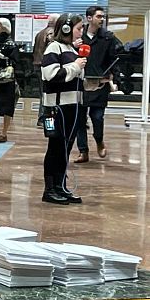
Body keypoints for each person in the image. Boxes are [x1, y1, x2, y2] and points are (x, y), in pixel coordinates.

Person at [41, 13, 90, 204]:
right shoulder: (54, 47)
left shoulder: (71, 49)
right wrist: (75, 66)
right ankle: (49, 189)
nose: (81, 32)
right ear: (66, 29)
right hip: (57, 108)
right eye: (79, 28)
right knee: (55, 148)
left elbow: (74, 79)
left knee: (65, 149)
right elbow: (51, 75)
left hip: (73, 106)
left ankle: (60, 186)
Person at [74, 6, 121, 164]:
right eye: (99, 16)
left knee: (97, 117)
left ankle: (99, 140)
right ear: (89, 18)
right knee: (80, 119)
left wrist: (116, 80)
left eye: (103, 16)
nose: (102, 19)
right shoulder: (79, 37)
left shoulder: (108, 37)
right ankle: (83, 151)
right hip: (81, 83)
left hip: (100, 83)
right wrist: (74, 45)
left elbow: (114, 59)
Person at [33, 14, 59, 125]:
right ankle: (44, 118)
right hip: (46, 66)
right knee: (48, 94)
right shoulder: (52, 33)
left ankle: (43, 118)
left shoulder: (39, 33)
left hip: (37, 65)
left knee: (43, 93)